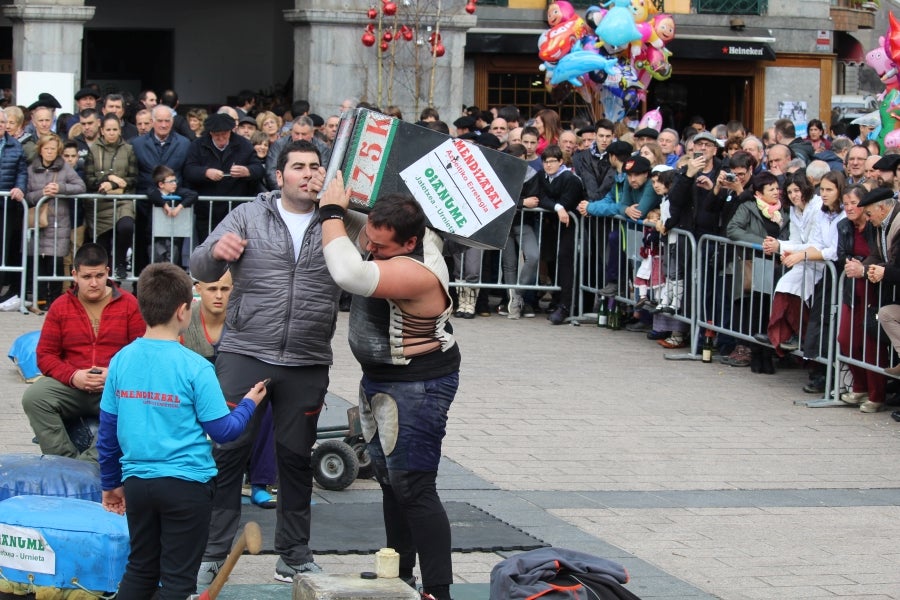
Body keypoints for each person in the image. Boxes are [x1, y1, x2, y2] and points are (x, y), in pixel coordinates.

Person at [190, 139, 366, 585]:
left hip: (307, 359)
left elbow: (384, 249)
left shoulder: (342, 221)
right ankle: (213, 551)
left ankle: (293, 554)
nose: (309, 174)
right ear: (279, 175)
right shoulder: (249, 214)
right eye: (299, 167)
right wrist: (216, 254)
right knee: (227, 453)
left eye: (315, 167)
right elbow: (199, 266)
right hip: (245, 352)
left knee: (293, 459)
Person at [318, 176, 461, 600]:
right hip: (381, 379)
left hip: (418, 384)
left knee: (415, 487)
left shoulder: (418, 270)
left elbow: (347, 272)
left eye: (381, 247)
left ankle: (439, 592)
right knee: (389, 481)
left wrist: (331, 212)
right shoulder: (395, 235)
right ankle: (398, 574)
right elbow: (365, 232)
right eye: (370, 241)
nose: (370, 249)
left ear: (411, 241)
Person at [97, 262, 266, 600]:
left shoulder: (121, 360)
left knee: (140, 569)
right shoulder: (197, 367)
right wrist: (249, 403)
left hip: (138, 484)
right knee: (177, 582)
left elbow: (107, 433)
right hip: (186, 487)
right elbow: (224, 432)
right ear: (182, 311)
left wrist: (111, 485)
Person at [21, 243, 145, 461]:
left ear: (108, 272)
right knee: (34, 397)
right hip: (73, 386)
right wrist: (73, 376)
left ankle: (90, 462)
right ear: (75, 275)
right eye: (87, 277)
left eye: (99, 275)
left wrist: (113, 373)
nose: (94, 283)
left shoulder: (129, 304)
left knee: (138, 402)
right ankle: (61, 460)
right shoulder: (60, 306)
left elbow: (141, 353)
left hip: (114, 386)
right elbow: (45, 355)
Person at [838, 185, 888, 412]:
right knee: (846, 339)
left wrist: (862, 265)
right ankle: (859, 386)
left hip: (873, 288)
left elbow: (879, 254)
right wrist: (850, 263)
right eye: (845, 203)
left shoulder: (875, 226)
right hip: (852, 288)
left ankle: (876, 395)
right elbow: (840, 254)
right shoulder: (844, 226)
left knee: (871, 344)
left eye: (853, 203)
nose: (849, 208)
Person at [25, 133, 86, 307]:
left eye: (53, 149)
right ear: (40, 150)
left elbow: (80, 186)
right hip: (38, 222)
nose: (50, 152)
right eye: (46, 149)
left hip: (59, 222)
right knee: (39, 261)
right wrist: (41, 193)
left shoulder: (65, 168)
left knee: (56, 261)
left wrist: (61, 188)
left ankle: (56, 300)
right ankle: (41, 298)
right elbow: (27, 195)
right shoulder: (31, 169)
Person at [184, 113, 264, 240]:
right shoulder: (198, 145)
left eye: (224, 134)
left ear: (231, 131)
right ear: (210, 133)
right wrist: (205, 172)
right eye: (217, 135)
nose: (221, 138)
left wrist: (247, 171)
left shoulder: (244, 145)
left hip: (236, 208)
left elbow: (259, 169)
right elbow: (189, 170)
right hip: (207, 210)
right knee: (208, 247)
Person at [84, 114, 138, 280]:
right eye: (108, 129)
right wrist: (110, 178)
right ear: (102, 131)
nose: (112, 133)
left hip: (123, 200)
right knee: (103, 242)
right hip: (101, 202)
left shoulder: (128, 149)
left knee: (126, 227)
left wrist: (113, 184)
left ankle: (120, 263)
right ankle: (105, 277)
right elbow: (90, 179)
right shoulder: (93, 150)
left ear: (120, 130)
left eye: (115, 129)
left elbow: (133, 178)